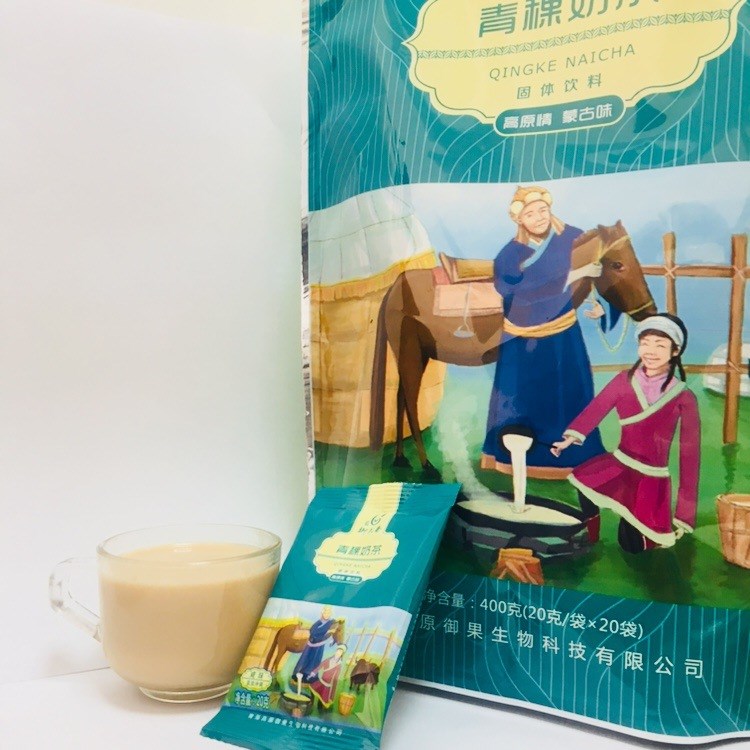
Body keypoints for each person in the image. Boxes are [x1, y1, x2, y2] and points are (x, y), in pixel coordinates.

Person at [482, 185, 616, 480]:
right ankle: (515, 460)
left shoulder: (573, 238)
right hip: (523, 341)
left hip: (564, 336)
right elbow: (519, 290)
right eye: (530, 213)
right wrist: (576, 274)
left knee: (571, 395)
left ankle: (578, 457)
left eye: (542, 210)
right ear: (519, 220)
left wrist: (599, 303)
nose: (539, 217)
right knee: (522, 402)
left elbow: (600, 267)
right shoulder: (509, 255)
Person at [551, 314, 700, 553]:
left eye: (660, 345)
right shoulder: (624, 380)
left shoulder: (684, 396)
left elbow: (690, 456)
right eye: (645, 343)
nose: (650, 351)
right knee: (583, 481)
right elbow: (597, 408)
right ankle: (591, 535)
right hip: (620, 464)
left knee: (632, 546)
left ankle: (642, 535)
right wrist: (570, 438)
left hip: (651, 479)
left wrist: (684, 515)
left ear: (675, 351)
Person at [293, 606, 337, 680]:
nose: (326, 614)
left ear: (330, 614)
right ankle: (298, 674)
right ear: (322, 613)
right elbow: (312, 631)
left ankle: (309, 677)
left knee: (314, 661)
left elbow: (327, 635)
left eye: (328, 613)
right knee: (304, 659)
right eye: (325, 612)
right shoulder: (319, 622)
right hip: (310, 644)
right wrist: (325, 631)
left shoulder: (331, 623)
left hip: (319, 645)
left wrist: (325, 633)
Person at [307, 644, 346, 710]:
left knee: (321, 700)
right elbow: (320, 666)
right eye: (338, 651)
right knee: (312, 688)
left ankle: (319, 709)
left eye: (340, 652)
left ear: (342, 654)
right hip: (321, 681)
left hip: (327, 685)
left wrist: (333, 693)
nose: (338, 653)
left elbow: (335, 679)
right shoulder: (328, 659)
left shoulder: (339, 665)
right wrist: (313, 673)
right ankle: (311, 702)